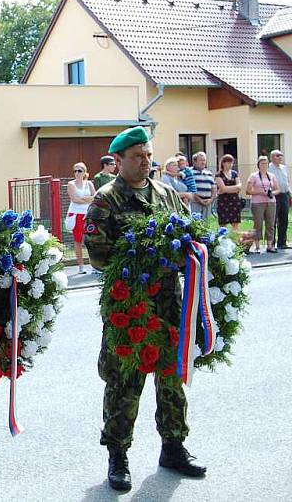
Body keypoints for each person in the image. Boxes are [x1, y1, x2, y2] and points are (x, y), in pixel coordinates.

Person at [85, 126, 206, 493]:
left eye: (149, 155)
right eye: (138, 156)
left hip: (169, 303)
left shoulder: (167, 195)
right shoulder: (106, 201)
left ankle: (173, 445)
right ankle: (118, 455)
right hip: (129, 304)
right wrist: (139, 258)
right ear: (118, 160)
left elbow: (190, 238)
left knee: (171, 377)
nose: (145, 162)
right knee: (125, 381)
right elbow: (98, 255)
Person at [246, 155, 279, 254]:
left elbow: (278, 189)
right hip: (257, 203)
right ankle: (257, 246)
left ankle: (270, 245)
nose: (264, 165)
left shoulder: (271, 176)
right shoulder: (253, 176)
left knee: (270, 224)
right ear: (258, 165)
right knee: (258, 224)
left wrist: (272, 193)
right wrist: (259, 192)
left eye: (266, 163)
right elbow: (248, 191)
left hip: (271, 202)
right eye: (262, 163)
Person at [66, 162, 95, 274]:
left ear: (84, 172)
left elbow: (95, 197)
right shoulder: (71, 184)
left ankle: (93, 265)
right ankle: (81, 266)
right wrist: (87, 199)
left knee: (91, 240)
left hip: (88, 214)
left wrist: (83, 199)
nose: (77, 173)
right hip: (76, 214)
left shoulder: (89, 184)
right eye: (75, 171)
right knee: (78, 240)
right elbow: (74, 199)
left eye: (79, 171)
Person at [267, 150, 290, 249]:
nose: (280, 157)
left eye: (281, 155)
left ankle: (282, 242)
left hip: (285, 195)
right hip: (274, 195)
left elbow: (287, 181)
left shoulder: (284, 168)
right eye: (278, 155)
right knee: (273, 219)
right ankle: (271, 244)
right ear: (272, 157)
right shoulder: (268, 168)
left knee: (284, 219)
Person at [215, 154, 242, 232]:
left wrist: (228, 189)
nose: (230, 165)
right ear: (223, 163)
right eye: (228, 162)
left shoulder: (235, 173)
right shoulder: (219, 175)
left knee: (235, 224)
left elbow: (239, 187)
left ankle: (235, 242)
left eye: (232, 163)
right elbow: (222, 188)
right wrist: (234, 188)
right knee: (223, 224)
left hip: (234, 201)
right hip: (223, 202)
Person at [190, 152, 216, 219]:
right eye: (201, 160)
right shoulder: (190, 172)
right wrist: (200, 200)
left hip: (208, 204)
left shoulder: (209, 173)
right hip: (195, 203)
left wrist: (211, 199)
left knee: (205, 225)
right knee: (195, 223)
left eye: (204, 160)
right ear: (194, 162)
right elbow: (190, 188)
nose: (203, 162)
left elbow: (214, 188)